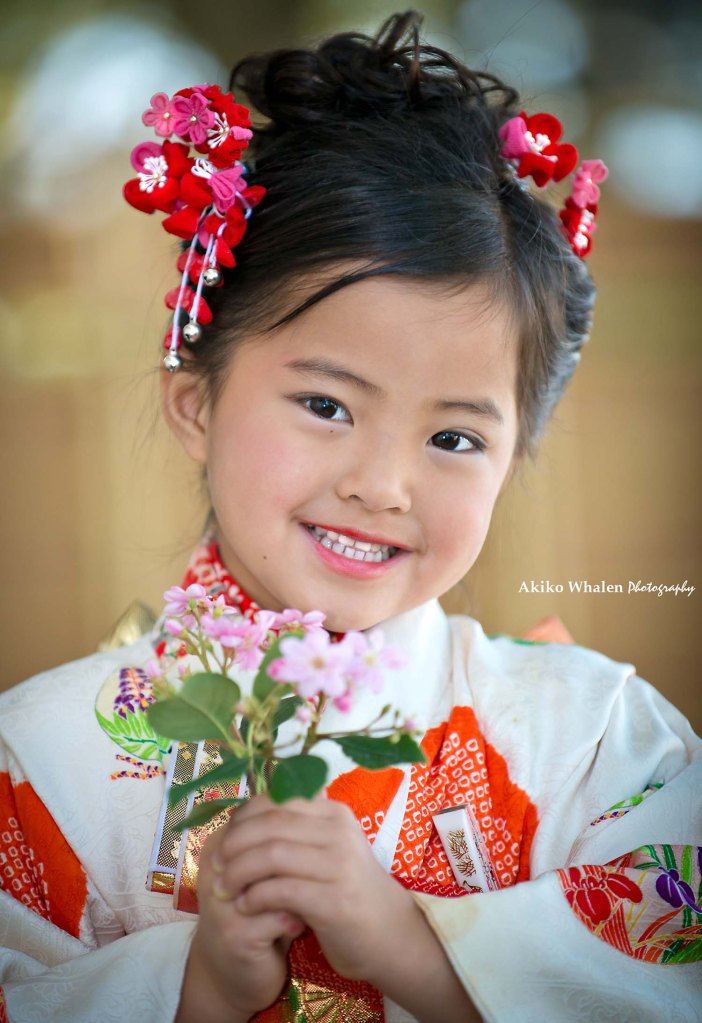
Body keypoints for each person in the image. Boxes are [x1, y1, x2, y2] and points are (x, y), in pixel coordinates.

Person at [1, 10, 700, 1023]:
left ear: (515, 460)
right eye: (327, 405)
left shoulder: (593, 738)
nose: (383, 484)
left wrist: (420, 954)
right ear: (195, 401)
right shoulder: (40, 760)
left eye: (454, 439)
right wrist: (188, 990)